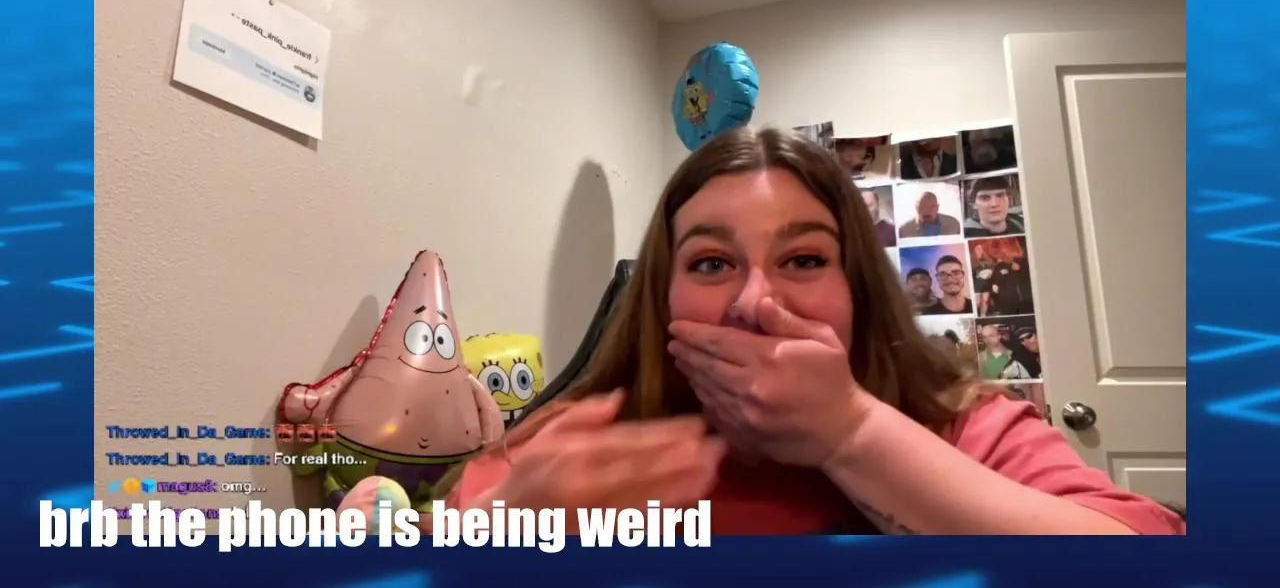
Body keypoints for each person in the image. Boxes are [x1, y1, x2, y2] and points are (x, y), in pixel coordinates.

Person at [378, 127, 1182, 536]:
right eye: (711, 264)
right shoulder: (570, 449)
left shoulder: (964, 425)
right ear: (662, 297)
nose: (755, 302)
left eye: (802, 260)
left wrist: (851, 432)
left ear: (856, 286)